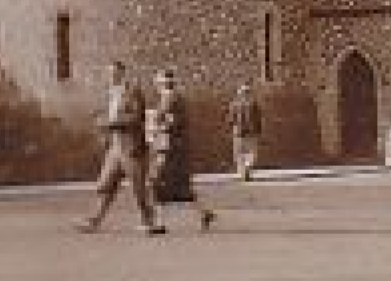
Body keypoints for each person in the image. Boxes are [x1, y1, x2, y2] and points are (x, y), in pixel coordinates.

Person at [77, 60, 165, 235]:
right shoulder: (110, 94)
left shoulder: (133, 92)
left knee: (138, 187)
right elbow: (108, 114)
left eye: (114, 74)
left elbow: (136, 117)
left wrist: (111, 124)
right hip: (116, 147)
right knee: (106, 184)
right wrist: (101, 122)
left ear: (122, 73)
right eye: (109, 74)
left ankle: (150, 222)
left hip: (132, 147)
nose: (111, 77)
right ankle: (94, 220)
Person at [148, 68, 213, 232]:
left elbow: (172, 123)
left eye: (158, 81)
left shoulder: (171, 99)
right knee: (181, 187)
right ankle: (204, 213)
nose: (156, 84)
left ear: (164, 82)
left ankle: (159, 223)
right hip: (173, 147)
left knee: (157, 182)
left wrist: (155, 128)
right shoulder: (170, 98)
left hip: (169, 148)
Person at [227, 83, 263, 181]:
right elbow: (258, 118)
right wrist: (259, 131)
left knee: (239, 154)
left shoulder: (234, 104)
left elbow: (230, 119)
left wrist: (232, 128)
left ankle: (243, 172)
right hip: (251, 132)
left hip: (238, 132)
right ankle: (247, 169)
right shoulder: (254, 104)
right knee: (252, 153)